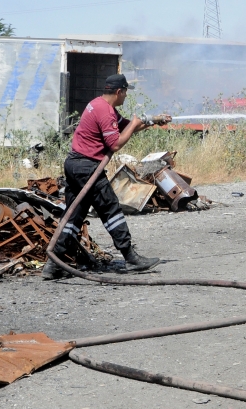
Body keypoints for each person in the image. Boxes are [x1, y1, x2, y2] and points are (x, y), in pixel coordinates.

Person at [42, 74, 170, 280]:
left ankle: (53, 265)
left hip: (75, 165)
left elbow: (127, 127)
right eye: (125, 92)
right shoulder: (105, 112)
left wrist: (153, 121)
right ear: (119, 91)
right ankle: (130, 258)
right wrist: (135, 123)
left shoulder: (99, 105)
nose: (126, 96)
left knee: (74, 215)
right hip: (87, 167)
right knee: (110, 209)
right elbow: (115, 144)